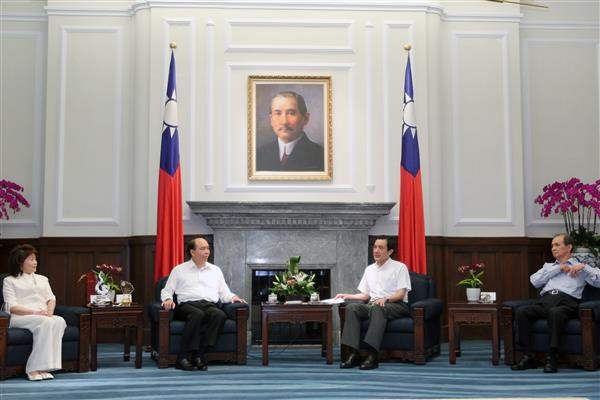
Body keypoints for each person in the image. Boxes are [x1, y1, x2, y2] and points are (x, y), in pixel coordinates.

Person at [511, 233, 600, 373]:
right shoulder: (549, 267)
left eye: (557, 245)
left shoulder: (580, 267)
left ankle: (552, 356)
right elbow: (534, 281)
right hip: (546, 300)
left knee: (555, 312)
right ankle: (528, 356)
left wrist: (584, 267)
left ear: (569, 247)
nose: (553, 248)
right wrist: (558, 268)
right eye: (552, 245)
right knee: (522, 312)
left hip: (567, 303)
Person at [161, 236, 246, 371]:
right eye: (202, 248)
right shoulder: (179, 270)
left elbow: (224, 292)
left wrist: (233, 297)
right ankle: (182, 357)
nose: (207, 251)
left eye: (207, 248)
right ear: (192, 252)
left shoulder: (215, 270)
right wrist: (167, 299)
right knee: (197, 314)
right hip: (187, 305)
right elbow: (167, 290)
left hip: (208, 304)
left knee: (219, 315)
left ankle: (199, 355)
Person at [334, 237, 412, 370]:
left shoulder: (400, 267)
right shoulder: (369, 269)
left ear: (390, 251)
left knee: (377, 307)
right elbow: (365, 295)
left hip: (396, 304)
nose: (376, 250)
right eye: (375, 247)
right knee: (352, 308)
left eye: (381, 248)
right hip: (373, 304)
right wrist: (347, 296)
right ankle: (354, 354)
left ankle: (372, 355)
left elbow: (400, 294)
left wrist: (385, 299)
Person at [2, 244, 67, 381]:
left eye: (35, 259)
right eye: (31, 259)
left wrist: (49, 311)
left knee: (59, 320)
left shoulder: (43, 279)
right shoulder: (9, 281)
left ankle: (46, 367)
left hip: (42, 315)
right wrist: (35, 312)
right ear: (20, 262)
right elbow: (11, 306)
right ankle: (33, 369)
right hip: (19, 316)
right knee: (45, 322)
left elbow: (51, 298)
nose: (35, 262)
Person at [256, 91, 325, 171]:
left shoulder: (321, 156)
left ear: (305, 118)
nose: (284, 122)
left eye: (291, 113)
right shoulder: (259, 154)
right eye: (278, 113)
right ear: (271, 119)